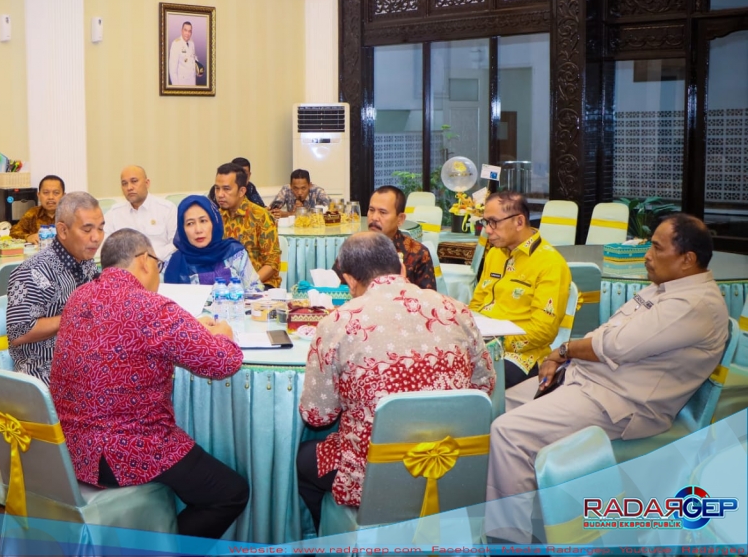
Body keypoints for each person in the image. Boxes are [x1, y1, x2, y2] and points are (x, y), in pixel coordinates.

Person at [485, 214, 729, 544]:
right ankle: (532, 511)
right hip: (589, 381)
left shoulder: (693, 304)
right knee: (491, 408)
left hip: (620, 402)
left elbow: (615, 346)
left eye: (656, 248)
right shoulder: (665, 289)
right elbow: (609, 331)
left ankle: (507, 540)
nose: (647, 255)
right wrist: (566, 358)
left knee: (509, 431)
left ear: (688, 260)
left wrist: (563, 351)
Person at [50, 228, 249, 538]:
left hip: (69, 448)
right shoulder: (151, 308)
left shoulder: (79, 297)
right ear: (144, 261)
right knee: (230, 492)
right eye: (157, 262)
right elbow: (222, 362)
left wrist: (191, 330)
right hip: (126, 450)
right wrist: (223, 334)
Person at [297, 232, 495, 531]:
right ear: (400, 268)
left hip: (374, 474)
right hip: (453, 463)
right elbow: (484, 387)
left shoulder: (338, 322)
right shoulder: (456, 310)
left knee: (304, 459)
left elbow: (317, 415)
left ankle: (329, 539)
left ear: (349, 280)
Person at [468, 190, 571, 389]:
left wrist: (493, 343)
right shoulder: (494, 254)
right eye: (485, 222)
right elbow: (477, 304)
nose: (487, 230)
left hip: (522, 356)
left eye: (493, 222)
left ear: (519, 222)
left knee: (471, 377)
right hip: (482, 344)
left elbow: (543, 331)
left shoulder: (549, 263)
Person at [5, 192, 103, 385]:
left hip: (86, 360)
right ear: (63, 231)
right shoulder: (34, 271)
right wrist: (76, 315)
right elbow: (18, 332)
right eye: (87, 229)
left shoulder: (87, 263)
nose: (96, 237)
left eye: (101, 229)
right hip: (47, 370)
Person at [162, 195, 262, 291]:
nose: (198, 230)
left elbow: (256, 289)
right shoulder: (172, 261)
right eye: (190, 223)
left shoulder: (235, 254)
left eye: (203, 221)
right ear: (182, 229)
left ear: (214, 223)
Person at [347, 185, 436, 291]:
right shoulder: (354, 249)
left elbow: (429, 301)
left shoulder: (418, 253)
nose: (374, 217)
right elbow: (334, 290)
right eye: (371, 210)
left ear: (400, 219)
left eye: (382, 212)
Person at [214, 162, 281, 289]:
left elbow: (272, 264)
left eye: (226, 189)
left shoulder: (260, 216)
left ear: (241, 191)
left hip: (260, 285)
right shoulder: (216, 217)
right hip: (224, 286)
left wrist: (246, 284)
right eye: (217, 188)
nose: (220, 194)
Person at [103, 165, 177, 259]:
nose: (129, 187)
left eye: (134, 181)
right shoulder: (114, 213)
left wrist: (152, 257)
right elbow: (106, 247)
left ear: (147, 183)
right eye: (124, 183)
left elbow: (175, 244)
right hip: (126, 269)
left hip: (160, 265)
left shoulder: (167, 209)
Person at [10, 175, 65, 244]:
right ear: (38, 195)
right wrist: (28, 237)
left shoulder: (70, 216)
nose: (51, 197)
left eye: (56, 193)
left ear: (64, 196)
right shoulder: (33, 213)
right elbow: (13, 232)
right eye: (46, 193)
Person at [168, 21, 202, 86]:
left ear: (191, 32)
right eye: (185, 30)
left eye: (189, 31)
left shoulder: (191, 43)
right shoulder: (176, 44)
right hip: (182, 83)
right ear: (181, 31)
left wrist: (198, 70)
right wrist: (177, 89)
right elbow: (172, 70)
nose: (187, 33)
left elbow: (193, 58)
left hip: (192, 81)